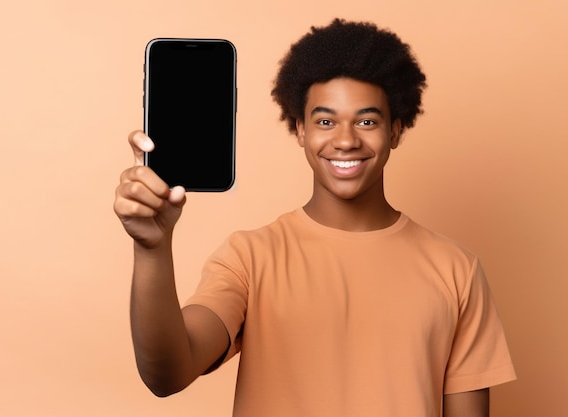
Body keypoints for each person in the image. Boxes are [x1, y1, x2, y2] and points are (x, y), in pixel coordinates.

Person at [114, 18, 516, 417]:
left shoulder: (457, 270)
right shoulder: (249, 258)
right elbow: (167, 373)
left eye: (367, 121)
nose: (345, 139)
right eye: (325, 121)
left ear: (395, 130)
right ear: (301, 130)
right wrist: (152, 247)